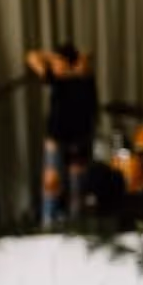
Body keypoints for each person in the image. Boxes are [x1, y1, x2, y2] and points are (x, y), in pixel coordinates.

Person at [27, 44, 99, 225]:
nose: (53, 66)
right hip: (56, 138)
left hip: (79, 139)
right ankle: (48, 223)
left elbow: (84, 68)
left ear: (67, 62)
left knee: (77, 188)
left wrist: (70, 64)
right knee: (52, 185)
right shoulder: (55, 78)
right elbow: (32, 56)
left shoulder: (84, 77)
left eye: (58, 62)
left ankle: (76, 226)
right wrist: (52, 57)